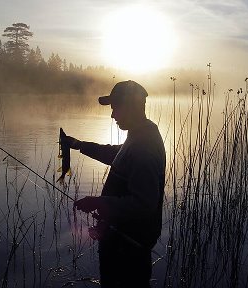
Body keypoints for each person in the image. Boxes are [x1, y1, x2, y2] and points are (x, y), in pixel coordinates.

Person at [67, 80, 166, 288]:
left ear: (131, 107)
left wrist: (99, 203)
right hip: (123, 240)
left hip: (129, 246)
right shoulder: (140, 135)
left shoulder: (144, 147)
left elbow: (143, 204)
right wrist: (78, 145)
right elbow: (116, 153)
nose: (112, 115)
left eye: (115, 108)